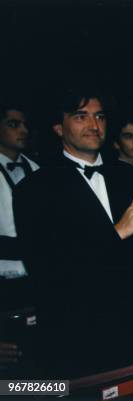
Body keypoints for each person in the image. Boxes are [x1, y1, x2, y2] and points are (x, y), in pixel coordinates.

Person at [13, 88, 133, 380]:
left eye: (100, 117)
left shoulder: (129, 177)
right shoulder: (35, 188)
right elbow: (48, 270)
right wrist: (117, 232)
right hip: (74, 335)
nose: (94, 125)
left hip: (132, 330)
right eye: (81, 117)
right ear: (59, 127)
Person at [0, 103, 39, 375]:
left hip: (37, 279)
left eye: (25, 124)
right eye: (14, 124)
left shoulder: (37, 169)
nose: (23, 130)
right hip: (3, 284)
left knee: (36, 362)